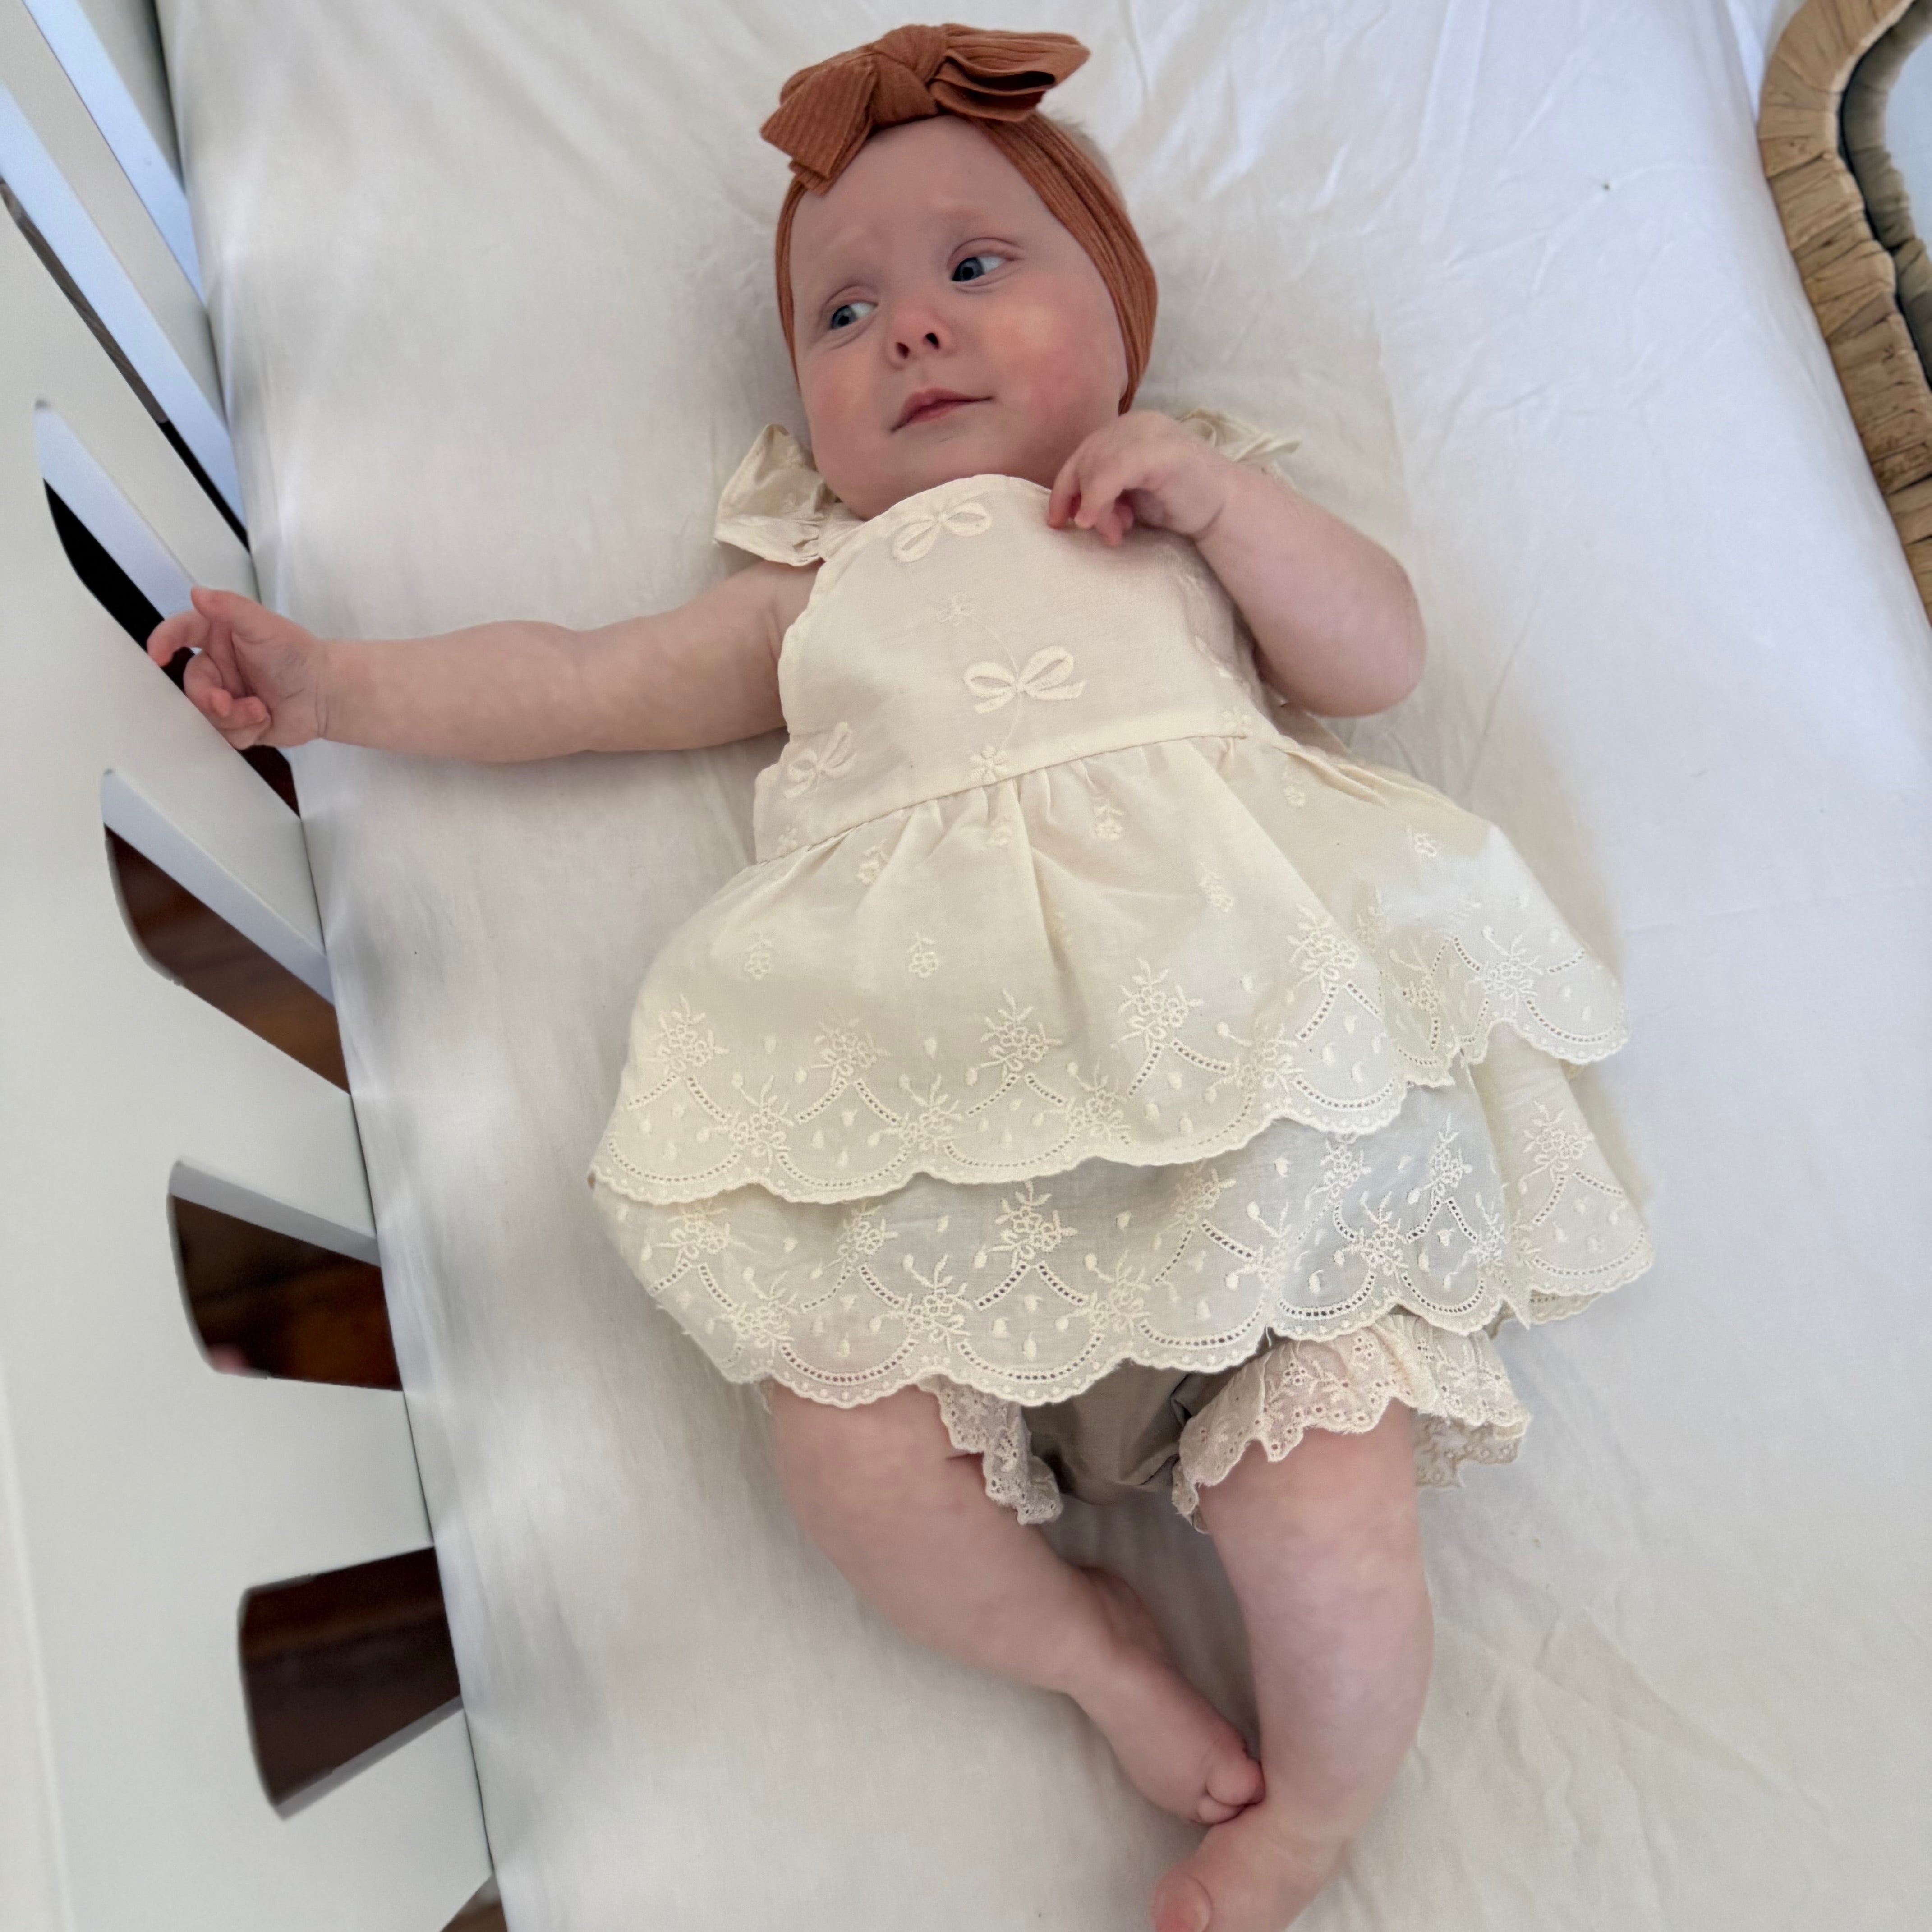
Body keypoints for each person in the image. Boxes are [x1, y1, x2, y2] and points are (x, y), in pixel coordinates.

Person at [146, 25, 1651, 1930]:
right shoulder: (815, 586)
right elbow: (586, 679)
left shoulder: (1189, 507)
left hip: (1255, 1144)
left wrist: (1220, 502)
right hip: (938, 1189)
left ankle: (1306, 1824)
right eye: (844, 311)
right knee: (842, 1452)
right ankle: (1091, 1656)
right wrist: (344, 689)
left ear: (1123, 320)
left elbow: (1373, 656)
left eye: (973, 270)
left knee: (1337, 1518)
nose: (912, 332)